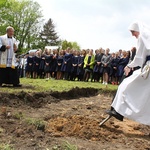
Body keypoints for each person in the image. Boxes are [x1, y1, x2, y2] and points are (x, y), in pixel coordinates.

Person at [106, 21, 150, 125]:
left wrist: (129, 66)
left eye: (133, 32)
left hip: (148, 69)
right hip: (147, 67)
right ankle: (118, 111)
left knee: (125, 85)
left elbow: (139, 58)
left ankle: (118, 112)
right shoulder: (147, 37)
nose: (132, 35)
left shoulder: (142, 37)